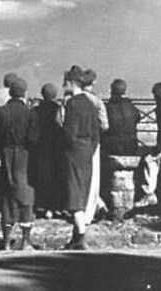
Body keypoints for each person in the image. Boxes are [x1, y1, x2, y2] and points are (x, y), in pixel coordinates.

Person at [0, 77, 38, 250]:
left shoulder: (0, 112)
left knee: (7, 195)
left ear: (10, 93)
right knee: (25, 195)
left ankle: (6, 241)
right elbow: (33, 138)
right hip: (25, 156)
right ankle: (25, 240)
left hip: (5, 154)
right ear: (24, 93)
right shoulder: (30, 113)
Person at [62, 65, 100, 250]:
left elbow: (69, 132)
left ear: (71, 83)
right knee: (83, 189)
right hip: (87, 150)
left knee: (74, 191)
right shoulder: (90, 102)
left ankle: (81, 237)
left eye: (65, 83)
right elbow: (96, 133)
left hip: (74, 150)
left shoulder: (72, 103)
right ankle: (76, 237)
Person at [29, 83, 64, 218]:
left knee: (40, 177)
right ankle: (52, 207)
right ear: (55, 95)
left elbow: (32, 131)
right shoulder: (58, 109)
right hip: (56, 147)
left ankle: (40, 205)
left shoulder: (35, 110)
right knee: (55, 177)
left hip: (40, 147)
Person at [81, 68, 109, 223]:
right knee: (93, 177)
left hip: (75, 143)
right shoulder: (97, 101)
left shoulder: (72, 100)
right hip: (92, 141)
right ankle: (90, 211)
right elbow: (104, 125)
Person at [104, 78, 141, 156]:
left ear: (111, 91)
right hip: (130, 145)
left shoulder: (108, 107)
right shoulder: (131, 107)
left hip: (112, 145)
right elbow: (137, 118)